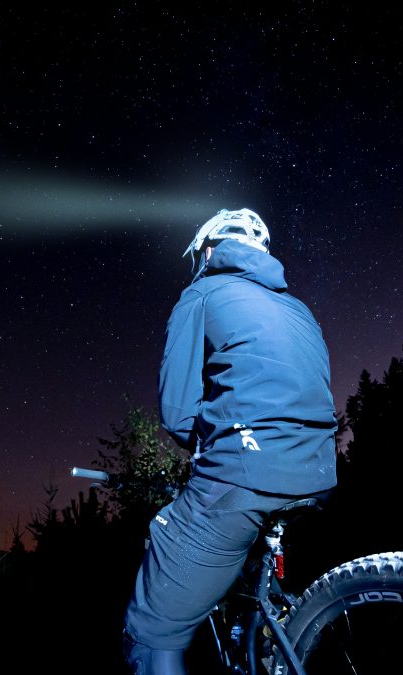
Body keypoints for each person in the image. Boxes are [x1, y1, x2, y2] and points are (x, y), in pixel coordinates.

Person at [122, 208, 339, 675]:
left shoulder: (201, 293)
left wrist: (209, 442)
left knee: (153, 626)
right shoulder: (299, 308)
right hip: (318, 471)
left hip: (244, 471)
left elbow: (178, 413)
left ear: (208, 249)